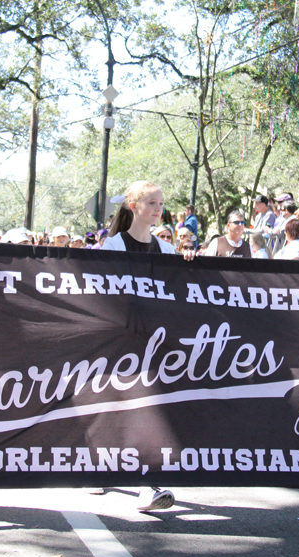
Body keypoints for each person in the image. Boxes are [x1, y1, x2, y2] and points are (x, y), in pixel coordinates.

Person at [100, 180, 194, 511]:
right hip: (119, 342)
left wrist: (191, 266)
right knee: (113, 407)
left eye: (160, 203)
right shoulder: (111, 248)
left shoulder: (167, 251)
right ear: (133, 206)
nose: (158, 209)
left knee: (149, 412)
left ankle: (148, 483)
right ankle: (100, 467)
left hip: (154, 346)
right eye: (151, 202)